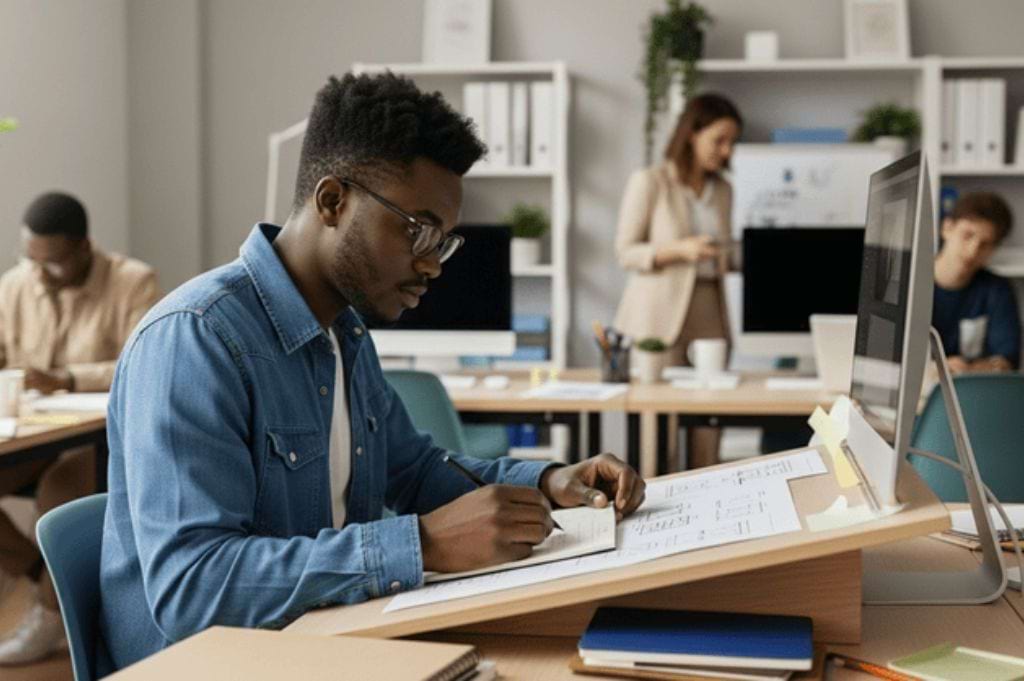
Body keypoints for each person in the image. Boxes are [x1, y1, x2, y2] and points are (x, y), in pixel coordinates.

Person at [99, 72, 647, 671]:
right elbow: (191, 591)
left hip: (332, 647)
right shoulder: (196, 338)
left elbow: (414, 471)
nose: (432, 264)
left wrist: (548, 483)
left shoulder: (346, 332)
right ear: (333, 201)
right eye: (417, 230)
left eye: (444, 241)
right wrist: (424, 544)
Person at [0, 191, 160, 665]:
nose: (40, 273)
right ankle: (55, 585)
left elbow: (142, 358)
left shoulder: (134, 281)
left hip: (99, 433)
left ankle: (51, 616)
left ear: (84, 247)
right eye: (32, 261)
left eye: (53, 264)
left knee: (62, 488)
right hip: (32, 431)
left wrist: (68, 379)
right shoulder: (14, 285)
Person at [613, 94, 742, 469]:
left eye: (732, 142)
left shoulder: (724, 190)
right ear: (692, 134)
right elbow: (626, 252)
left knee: (708, 431)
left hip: (709, 312)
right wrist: (680, 250)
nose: (726, 150)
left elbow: (725, 251)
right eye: (718, 139)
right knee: (659, 438)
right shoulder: (651, 181)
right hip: (657, 316)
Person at [933, 191, 1020, 373]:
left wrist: (967, 369)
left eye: (985, 244)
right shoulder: (910, 283)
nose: (973, 251)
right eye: (967, 235)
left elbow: (1007, 361)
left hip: (971, 389)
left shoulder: (997, 290)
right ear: (947, 227)